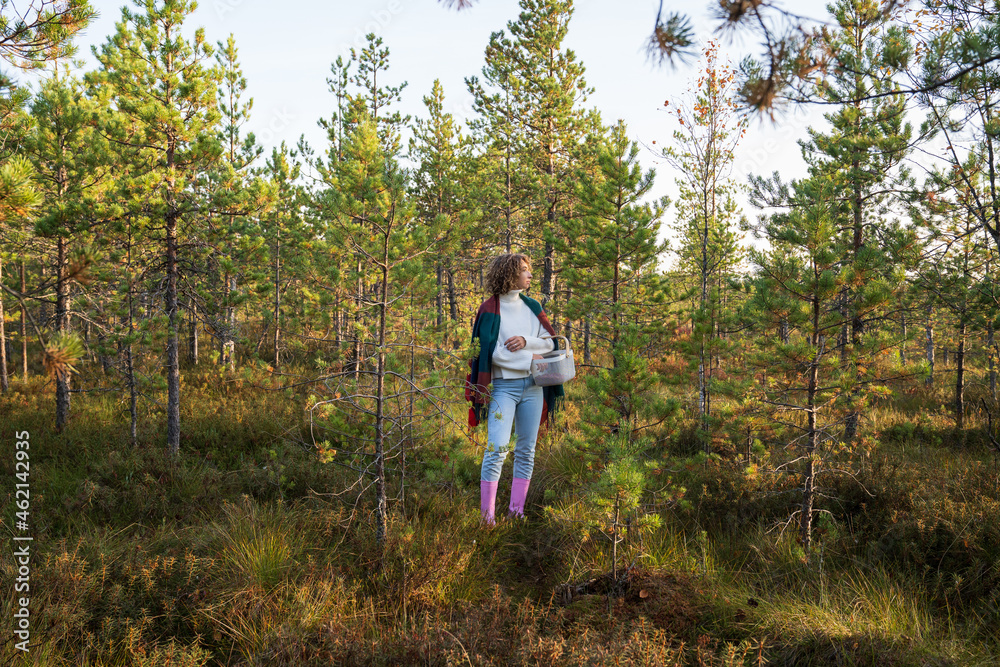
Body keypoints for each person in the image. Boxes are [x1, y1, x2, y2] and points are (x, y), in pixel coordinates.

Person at [465, 253, 564, 523]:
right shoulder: (490, 309)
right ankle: (487, 518)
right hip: (503, 389)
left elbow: (550, 343)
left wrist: (525, 341)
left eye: (529, 270)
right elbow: (491, 355)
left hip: (534, 386)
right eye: (524, 270)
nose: (530, 275)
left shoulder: (532, 306)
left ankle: (516, 512)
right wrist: (527, 357)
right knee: (497, 449)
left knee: (526, 450)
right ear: (509, 274)